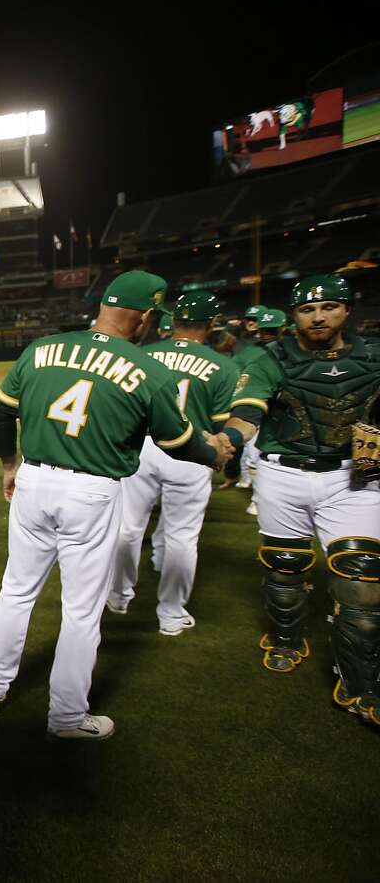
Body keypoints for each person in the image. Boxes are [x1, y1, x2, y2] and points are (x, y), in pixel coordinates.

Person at [0, 271, 231, 740]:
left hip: (33, 480)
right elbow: (177, 443)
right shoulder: (149, 370)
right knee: (80, 610)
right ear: (148, 315)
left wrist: (9, 465)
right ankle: (67, 717)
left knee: (16, 591)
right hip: (92, 491)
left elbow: (2, 412)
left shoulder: (41, 348)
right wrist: (213, 452)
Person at [220, 274, 380, 727]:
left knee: (363, 578)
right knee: (285, 564)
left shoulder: (374, 355)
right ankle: (288, 639)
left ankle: (360, 683)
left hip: (354, 477)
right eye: (308, 310)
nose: (318, 316)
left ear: (347, 311)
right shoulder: (273, 357)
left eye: (329, 307)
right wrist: (230, 439)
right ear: (294, 316)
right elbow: (250, 408)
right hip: (282, 473)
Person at [105, 291, 238, 634]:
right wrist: (218, 453)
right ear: (210, 325)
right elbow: (222, 426)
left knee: (128, 527)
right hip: (192, 451)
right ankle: (171, 615)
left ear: (174, 321)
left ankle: (118, 595)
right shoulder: (223, 364)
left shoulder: (141, 354)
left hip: (144, 447)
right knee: (181, 537)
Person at [226, 307, 287, 506]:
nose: (267, 334)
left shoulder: (293, 349)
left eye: (272, 330)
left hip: (286, 412)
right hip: (257, 410)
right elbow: (232, 374)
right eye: (264, 330)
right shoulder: (249, 352)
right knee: (254, 456)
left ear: (283, 328)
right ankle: (257, 498)